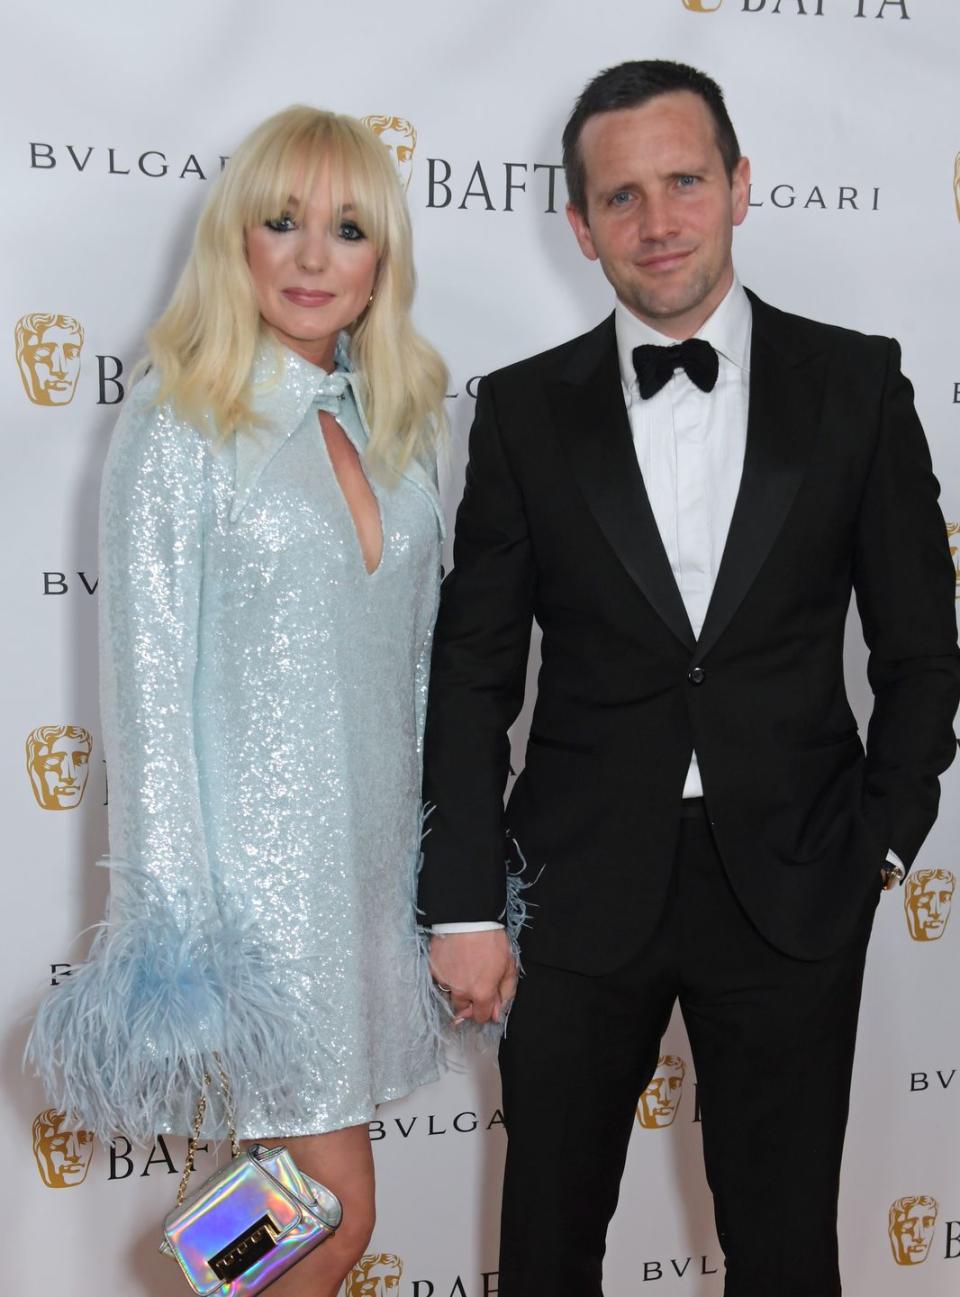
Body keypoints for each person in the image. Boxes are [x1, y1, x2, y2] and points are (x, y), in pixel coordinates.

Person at [419, 60, 960, 1296]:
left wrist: (881, 836)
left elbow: (923, 648)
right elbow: (472, 672)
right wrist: (462, 903)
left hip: (796, 879)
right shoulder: (518, 412)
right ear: (580, 224)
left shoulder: (857, 384)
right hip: (568, 889)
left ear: (738, 186)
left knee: (784, 1252)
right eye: (622, 197)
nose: (657, 221)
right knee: (546, 1249)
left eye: (684, 182)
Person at [27, 105, 448, 1297]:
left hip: (368, 899)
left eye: (349, 228)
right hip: (261, 918)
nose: (315, 257)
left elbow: (414, 676)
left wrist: (430, 894)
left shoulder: (400, 432)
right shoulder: (180, 424)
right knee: (333, 1213)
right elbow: (148, 703)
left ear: (384, 261)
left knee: (269, 1219)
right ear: (239, 241)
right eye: (284, 221)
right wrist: (178, 942)